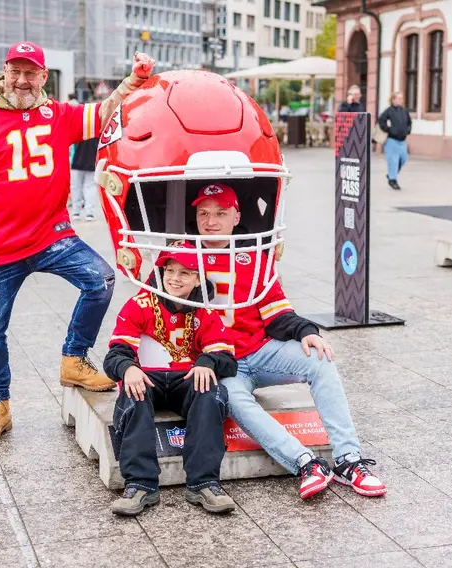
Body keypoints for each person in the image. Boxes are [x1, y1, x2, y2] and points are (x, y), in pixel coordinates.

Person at [0, 41, 155, 442]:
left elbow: (104, 113)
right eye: (15, 71)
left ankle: (74, 359)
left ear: (44, 76)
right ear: (5, 71)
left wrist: (134, 80)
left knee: (100, 280)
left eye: (31, 73)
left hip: (50, 236)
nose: (22, 80)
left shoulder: (56, 114)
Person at [191, 183, 386, 500]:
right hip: (223, 362)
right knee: (232, 398)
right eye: (203, 213)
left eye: (220, 213)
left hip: (261, 350)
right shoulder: (181, 256)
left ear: (236, 216)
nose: (210, 221)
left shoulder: (254, 256)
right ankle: (306, 462)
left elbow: (276, 311)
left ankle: (348, 460)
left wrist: (307, 331)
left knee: (320, 360)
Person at [105, 246, 237, 516]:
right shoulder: (140, 304)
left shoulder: (205, 310)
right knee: (134, 393)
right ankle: (140, 485)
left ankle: (204, 483)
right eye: (170, 271)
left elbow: (227, 358)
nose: (175, 278)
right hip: (146, 377)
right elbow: (115, 354)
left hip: (186, 378)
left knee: (210, 393)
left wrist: (207, 361)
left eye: (185, 273)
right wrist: (127, 368)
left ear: (199, 279)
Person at [377, 91, 412, 190]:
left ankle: (391, 174)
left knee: (404, 158)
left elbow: (409, 122)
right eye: (399, 98)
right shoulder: (389, 111)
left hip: (402, 141)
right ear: (393, 100)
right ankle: (392, 180)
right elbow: (381, 120)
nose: (401, 100)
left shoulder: (404, 111)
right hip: (392, 140)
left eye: (401, 98)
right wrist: (389, 130)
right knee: (393, 161)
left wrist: (408, 130)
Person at [69, 135, 99, 221]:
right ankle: (89, 213)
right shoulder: (96, 128)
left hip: (76, 159)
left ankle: (76, 211)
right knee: (90, 186)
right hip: (92, 159)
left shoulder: (76, 128)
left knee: (76, 187)